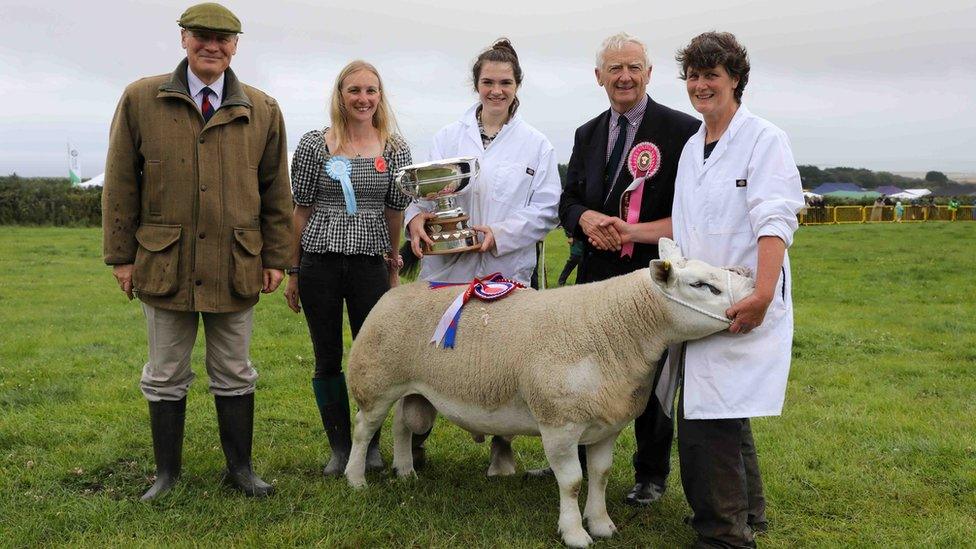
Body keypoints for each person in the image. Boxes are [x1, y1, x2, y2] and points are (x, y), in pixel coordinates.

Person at [611, 31, 803, 547]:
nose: (700, 85)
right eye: (693, 76)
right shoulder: (695, 146)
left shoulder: (764, 140)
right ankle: (750, 513)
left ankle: (722, 534)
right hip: (699, 299)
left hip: (739, 295)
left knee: (706, 416)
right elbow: (685, 222)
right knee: (721, 406)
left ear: (735, 79)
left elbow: (775, 220)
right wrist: (632, 231)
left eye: (711, 75)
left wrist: (763, 294)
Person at [102, 3, 292, 500]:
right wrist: (121, 257)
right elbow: (121, 183)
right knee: (165, 374)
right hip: (165, 262)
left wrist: (275, 257)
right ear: (184, 38)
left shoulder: (262, 108)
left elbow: (276, 191)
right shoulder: (141, 98)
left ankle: (241, 471)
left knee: (235, 370)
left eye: (223, 39)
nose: (212, 46)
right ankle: (166, 475)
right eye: (202, 36)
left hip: (236, 262)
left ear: (236, 46)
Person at [557, 32, 700, 506]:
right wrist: (585, 218)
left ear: (649, 73)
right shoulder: (587, 133)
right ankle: (573, 460)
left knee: (650, 376)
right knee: (586, 374)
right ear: (599, 77)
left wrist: (629, 232)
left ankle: (650, 474)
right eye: (615, 68)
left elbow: (693, 213)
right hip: (595, 281)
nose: (624, 77)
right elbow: (569, 200)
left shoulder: (682, 130)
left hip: (652, 279)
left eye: (633, 67)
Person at [405, 38, 561, 468]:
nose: (497, 90)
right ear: (476, 84)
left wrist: (500, 233)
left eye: (505, 82)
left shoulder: (537, 145)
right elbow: (420, 194)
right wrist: (415, 221)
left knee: (501, 361)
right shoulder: (446, 137)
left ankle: (502, 445)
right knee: (433, 353)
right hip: (447, 267)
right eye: (488, 81)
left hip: (504, 269)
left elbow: (547, 209)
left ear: (517, 86)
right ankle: (415, 440)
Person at [284, 61, 413, 477]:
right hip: (319, 262)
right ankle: (339, 447)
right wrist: (293, 270)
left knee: (371, 357)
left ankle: (369, 445)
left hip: (370, 265)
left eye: (371, 91)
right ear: (340, 95)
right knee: (327, 358)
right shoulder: (314, 145)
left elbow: (395, 213)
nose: (363, 99)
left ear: (380, 96)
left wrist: (393, 267)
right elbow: (299, 209)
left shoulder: (395, 149)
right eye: (354, 90)